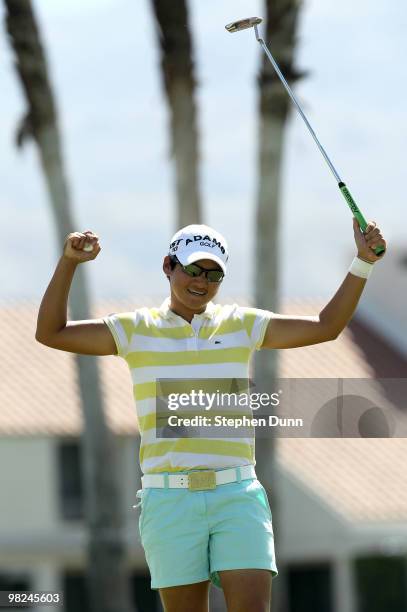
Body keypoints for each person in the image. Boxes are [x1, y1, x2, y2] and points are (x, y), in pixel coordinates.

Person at [35, 220, 386, 612]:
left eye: (214, 273)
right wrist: (68, 263)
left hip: (236, 495)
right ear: (169, 266)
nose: (202, 281)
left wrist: (363, 263)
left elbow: (326, 326)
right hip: (168, 498)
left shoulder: (240, 324)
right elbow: (51, 332)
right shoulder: (136, 330)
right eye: (193, 269)